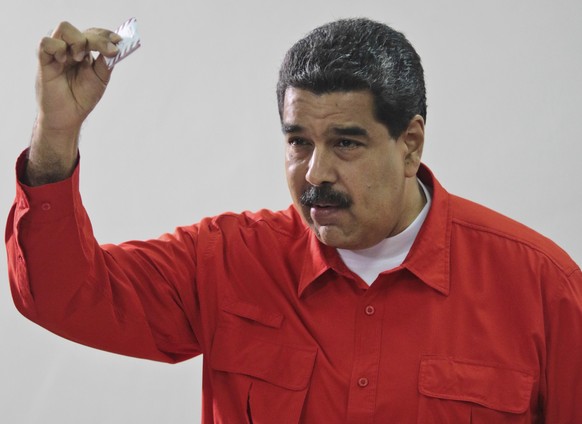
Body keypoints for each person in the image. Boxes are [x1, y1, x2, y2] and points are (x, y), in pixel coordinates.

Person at [6, 17, 582, 423]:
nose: (315, 173)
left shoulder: (541, 287)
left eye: (346, 143)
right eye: (298, 142)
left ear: (410, 145)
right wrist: (56, 136)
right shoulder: (226, 262)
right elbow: (62, 296)